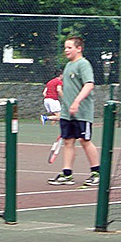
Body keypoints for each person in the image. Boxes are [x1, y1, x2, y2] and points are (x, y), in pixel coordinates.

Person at [48, 36, 100, 187]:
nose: (66, 50)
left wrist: (76, 102)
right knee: (68, 141)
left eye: (69, 47)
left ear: (79, 49)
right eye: (65, 47)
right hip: (67, 113)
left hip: (82, 112)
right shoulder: (68, 66)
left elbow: (89, 85)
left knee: (84, 140)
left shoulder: (83, 64)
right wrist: (65, 108)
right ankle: (67, 174)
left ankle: (97, 173)